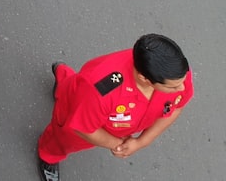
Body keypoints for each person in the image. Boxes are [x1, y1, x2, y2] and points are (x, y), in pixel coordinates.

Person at [36, 34, 193, 181]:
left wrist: (142, 142)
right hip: (83, 109)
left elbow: (177, 107)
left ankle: (63, 76)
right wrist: (117, 145)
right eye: (173, 87)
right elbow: (84, 129)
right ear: (144, 78)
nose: (181, 89)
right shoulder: (101, 91)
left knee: (72, 86)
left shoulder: (174, 74)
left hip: (91, 105)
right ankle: (48, 155)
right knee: (62, 139)